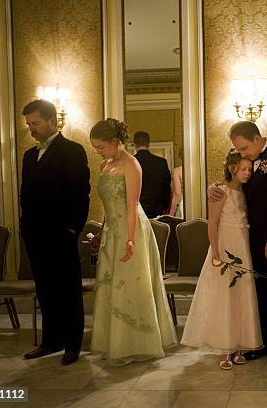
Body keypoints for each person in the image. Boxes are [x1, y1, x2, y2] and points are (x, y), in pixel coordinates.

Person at [209, 121, 267, 365]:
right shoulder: (246, 163)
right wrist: (214, 188)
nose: (242, 154)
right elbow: (234, 185)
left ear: (258, 138)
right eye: (238, 150)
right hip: (248, 240)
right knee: (259, 295)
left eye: (244, 148)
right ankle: (263, 344)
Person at [89, 118, 177, 366]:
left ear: (115, 142)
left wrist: (129, 240)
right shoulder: (106, 165)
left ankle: (136, 344)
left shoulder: (132, 164)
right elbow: (108, 206)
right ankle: (115, 343)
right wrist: (101, 231)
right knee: (112, 286)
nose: (98, 152)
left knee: (130, 285)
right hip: (112, 231)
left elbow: (130, 205)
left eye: (101, 147)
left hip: (132, 229)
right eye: (95, 147)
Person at [20, 99, 90, 366]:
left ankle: (72, 344)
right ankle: (51, 341)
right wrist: (25, 224)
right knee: (45, 289)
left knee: (68, 289)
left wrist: (73, 228)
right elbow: (25, 194)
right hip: (34, 234)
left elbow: (80, 192)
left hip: (62, 233)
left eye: (35, 123)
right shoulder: (29, 155)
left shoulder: (72, 150)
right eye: (29, 125)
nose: (32, 129)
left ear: (52, 121)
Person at [181, 150, 262, 370]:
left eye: (250, 169)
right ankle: (225, 348)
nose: (247, 173)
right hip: (225, 246)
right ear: (232, 168)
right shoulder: (221, 192)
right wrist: (215, 251)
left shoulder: (247, 192)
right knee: (225, 295)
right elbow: (213, 223)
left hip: (243, 247)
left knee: (241, 293)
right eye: (243, 169)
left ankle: (239, 345)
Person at [133, 131, 172, 218]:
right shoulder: (161, 162)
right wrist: (164, 207)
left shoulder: (131, 162)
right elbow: (166, 187)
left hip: (136, 209)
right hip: (157, 209)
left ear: (135, 144)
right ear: (148, 143)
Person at [169, 147, 184, 218]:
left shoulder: (177, 171)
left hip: (183, 205)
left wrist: (171, 215)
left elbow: (177, 194)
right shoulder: (199, 170)